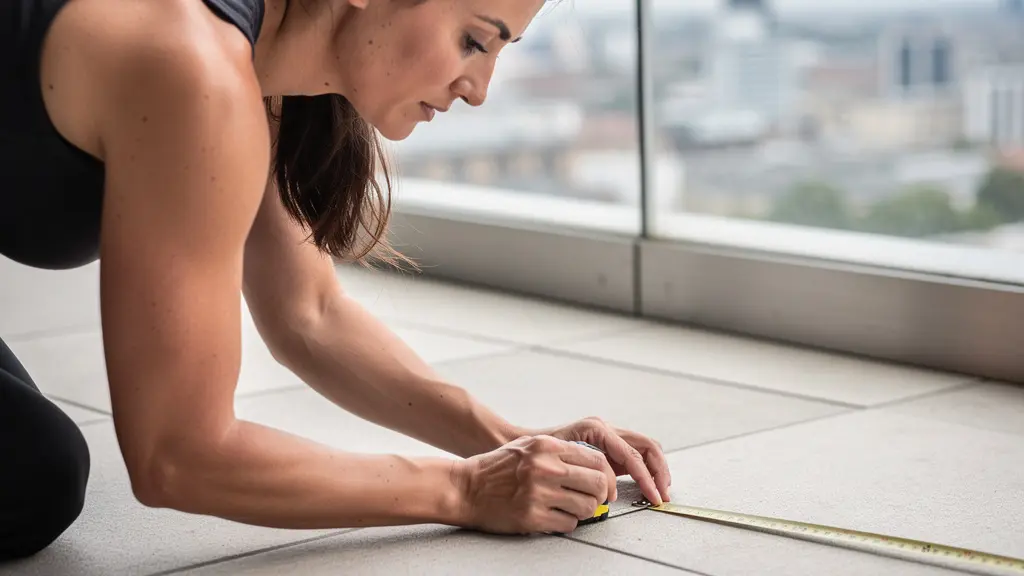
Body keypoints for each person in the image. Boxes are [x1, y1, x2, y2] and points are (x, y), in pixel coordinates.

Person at [0, 0, 673, 561]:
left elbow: (308, 312)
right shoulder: (191, 65)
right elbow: (177, 454)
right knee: (33, 476)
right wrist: (461, 491)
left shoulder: (252, 56)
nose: (480, 89)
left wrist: (514, 443)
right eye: (473, 41)